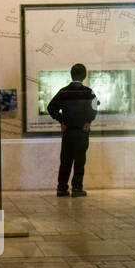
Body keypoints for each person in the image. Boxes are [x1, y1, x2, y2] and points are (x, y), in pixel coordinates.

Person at [46, 63, 98, 196]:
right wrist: (88, 121)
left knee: (65, 161)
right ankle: (76, 188)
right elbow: (94, 108)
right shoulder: (88, 92)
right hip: (82, 132)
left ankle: (62, 188)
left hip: (68, 132)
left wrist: (61, 120)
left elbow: (51, 107)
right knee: (80, 161)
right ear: (84, 76)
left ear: (71, 74)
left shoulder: (64, 91)